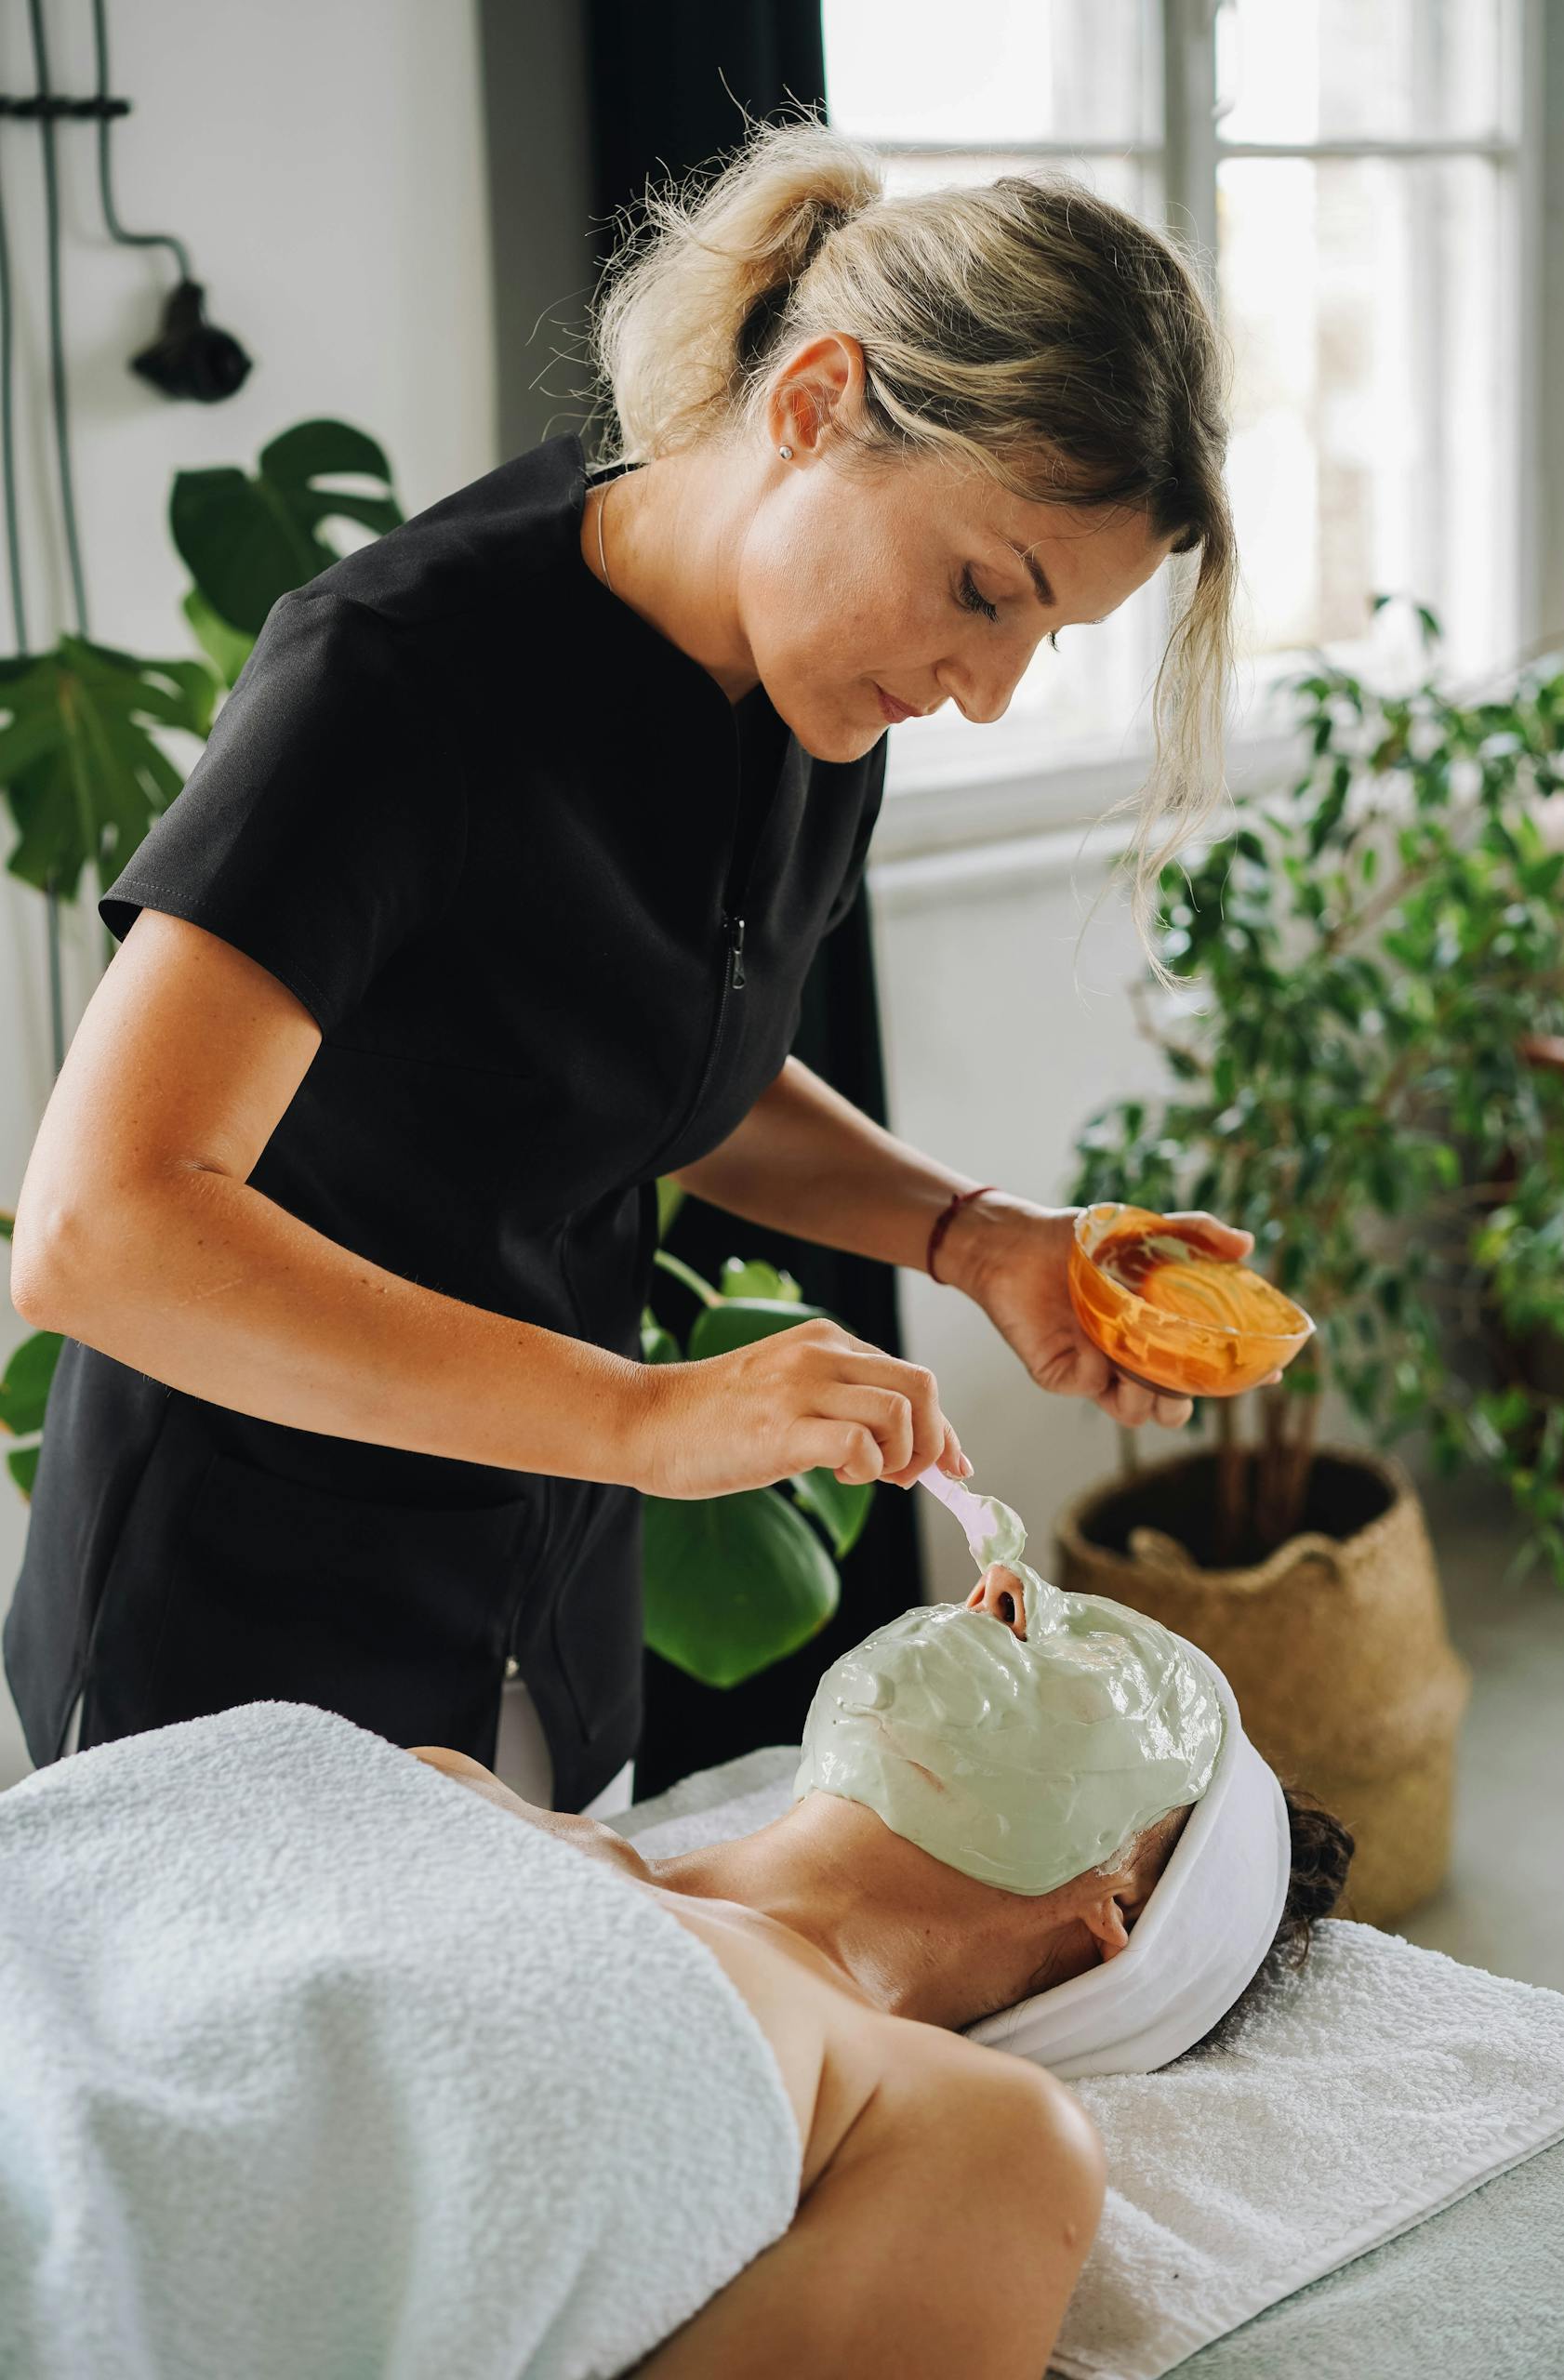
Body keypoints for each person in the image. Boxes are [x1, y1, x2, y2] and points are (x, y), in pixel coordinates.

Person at [6, 107, 1259, 1819]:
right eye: (983, 589)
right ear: (815, 405)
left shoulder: (813, 706)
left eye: (1044, 637)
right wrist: (645, 1420)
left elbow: (660, 1067)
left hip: (547, 1601)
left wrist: (976, 1240)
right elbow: (102, 1232)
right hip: (248, 1634)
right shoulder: (390, 685)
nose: (989, 688)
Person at [0, 1562, 1352, 2380]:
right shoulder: (456, 1786)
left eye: (1103, 1656)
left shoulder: (971, 2132)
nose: (996, 1587)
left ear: (1122, 1898)